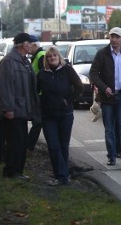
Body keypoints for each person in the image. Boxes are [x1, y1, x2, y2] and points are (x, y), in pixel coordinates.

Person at [89, 27, 121, 168]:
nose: (114, 39)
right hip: (108, 98)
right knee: (109, 129)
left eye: (117, 37)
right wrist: (104, 87)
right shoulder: (102, 54)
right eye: (112, 36)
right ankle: (111, 155)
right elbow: (93, 73)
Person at [36, 46, 83, 186]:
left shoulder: (67, 70)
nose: (52, 58)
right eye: (49, 56)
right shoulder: (42, 74)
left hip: (65, 114)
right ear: (46, 59)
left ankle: (63, 175)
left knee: (63, 145)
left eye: (54, 55)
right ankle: (62, 176)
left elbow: (79, 87)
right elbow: (35, 92)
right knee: (53, 146)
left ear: (59, 56)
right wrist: (41, 104)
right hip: (48, 115)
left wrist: (68, 100)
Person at [0, 32, 41, 180]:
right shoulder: (9, 61)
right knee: (15, 142)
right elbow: (5, 87)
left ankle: (18, 171)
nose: (32, 46)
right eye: (30, 43)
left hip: (22, 109)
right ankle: (11, 171)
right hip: (14, 110)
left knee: (21, 142)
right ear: (23, 44)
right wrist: (8, 108)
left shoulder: (24, 61)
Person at [27, 35, 45, 153]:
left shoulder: (41, 55)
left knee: (38, 121)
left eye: (29, 45)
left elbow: (44, 75)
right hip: (37, 93)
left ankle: (29, 146)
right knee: (37, 121)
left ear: (34, 45)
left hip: (41, 94)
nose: (28, 48)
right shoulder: (36, 55)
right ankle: (29, 145)